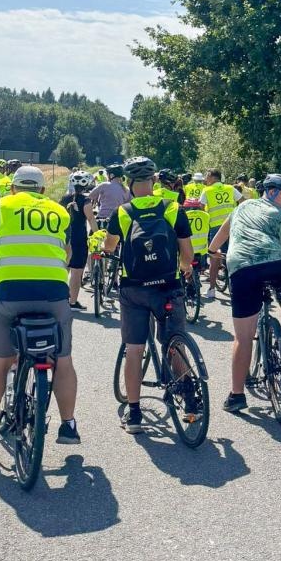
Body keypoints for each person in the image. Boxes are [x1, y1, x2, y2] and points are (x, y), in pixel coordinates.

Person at [0, 165, 81, 446]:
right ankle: (68, 426)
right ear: (42, 190)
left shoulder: (2, 206)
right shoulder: (59, 211)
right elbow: (67, 253)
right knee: (63, 361)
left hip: (11, 293)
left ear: (13, 187)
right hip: (54, 293)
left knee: (0, 362)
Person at [102, 156, 194, 434]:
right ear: (154, 181)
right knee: (175, 343)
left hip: (134, 288)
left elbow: (109, 247)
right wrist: (185, 269)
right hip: (167, 286)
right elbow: (187, 254)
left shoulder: (123, 212)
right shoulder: (172, 208)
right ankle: (191, 402)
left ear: (129, 183)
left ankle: (134, 415)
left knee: (134, 349)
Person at [209, 173, 281, 414]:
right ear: (271, 192)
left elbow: (223, 233)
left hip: (241, 268)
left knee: (243, 338)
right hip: (274, 263)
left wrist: (212, 251)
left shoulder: (241, 208)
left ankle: (236, 395)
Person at [200, 169, 241, 300]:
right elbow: (243, 201)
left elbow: (201, 209)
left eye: (207, 176)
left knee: (214, 258)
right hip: (233, 225)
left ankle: (212, 289)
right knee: (235, 255)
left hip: (216, 227)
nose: (206, 179)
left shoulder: (207, 190)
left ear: (212, 177)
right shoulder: (230, 188)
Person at [59, 170, 96, 309]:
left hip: (64, 237)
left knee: (64, 269)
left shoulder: (64, 198)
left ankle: (60, 298)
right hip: (79, 238)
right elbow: (91, 219)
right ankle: (72, 302)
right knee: (76, 271)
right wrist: (97, 234)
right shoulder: (86, 201)